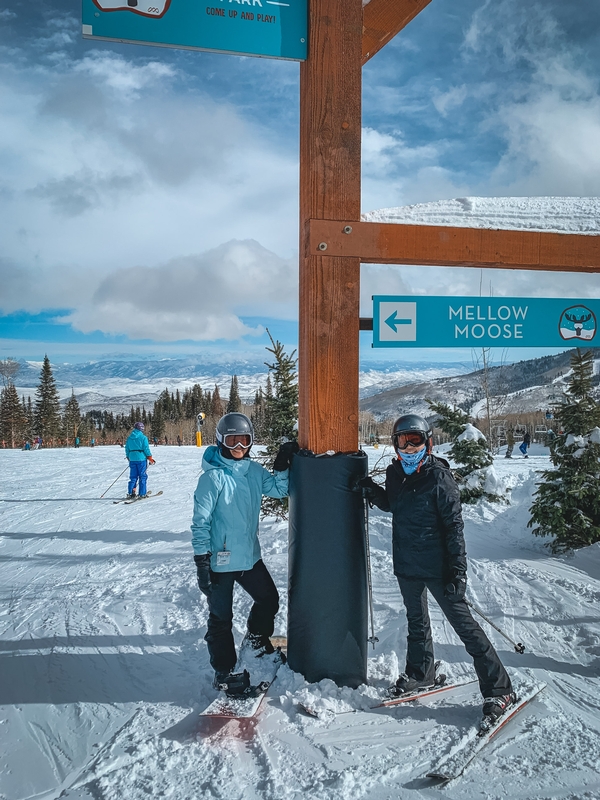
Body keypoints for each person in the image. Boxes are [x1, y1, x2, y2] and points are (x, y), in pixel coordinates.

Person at [359, 413, 515, 723]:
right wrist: (372, 491)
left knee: (466, 630)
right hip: (407, 564)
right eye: (404, 441)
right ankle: (421, 673)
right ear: (396, 444)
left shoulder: (439, 477)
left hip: (439, 568)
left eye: (415, 440)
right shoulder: (395, 474)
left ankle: (500, 689)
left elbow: (453, 527)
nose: (409, 446)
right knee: (417, 624)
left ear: (428, 443)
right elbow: (395, 503)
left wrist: (457, 571)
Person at [191, 412, 298, 693]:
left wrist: (281, 465)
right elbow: (200, 523)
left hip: (249, 558)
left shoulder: (252, 471)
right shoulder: (212, 479)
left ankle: (256, 639)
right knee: (221, 619)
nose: (239, 447)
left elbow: (278, 490)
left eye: (245, 440)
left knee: (268, 599)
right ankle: (223, 671)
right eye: (233, 441)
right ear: (221, 442)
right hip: (219, 562)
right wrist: (202, 561)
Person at [125, 422, 155, 499]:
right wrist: (150, 457)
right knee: (142, 476)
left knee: (133, 477)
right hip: (141, 459)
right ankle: (142, 493)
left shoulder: (129, 438)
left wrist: (128, 456)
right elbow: (146, 448)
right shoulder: (143, 437)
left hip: (132, 459)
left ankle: (131, 492)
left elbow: (127, 448)